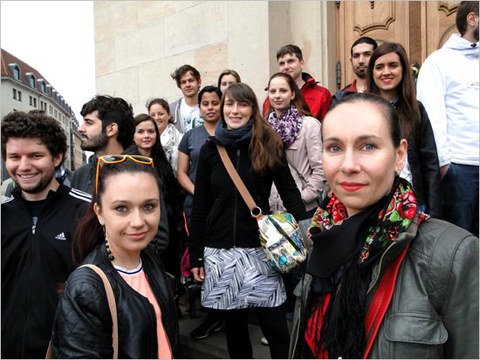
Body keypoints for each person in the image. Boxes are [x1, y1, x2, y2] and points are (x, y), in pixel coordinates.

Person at [289, 93, 479, 359]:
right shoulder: (315, 235)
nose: (348, 165)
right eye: (334, 147)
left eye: (368, 146)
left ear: (399, 155)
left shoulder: (452, 255)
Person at [189, 83, 308, 358]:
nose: (235, 110)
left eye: (242, 104)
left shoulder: (268, 143)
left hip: (260, 250)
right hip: (221, 252)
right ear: (222, 108)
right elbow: (201, 205)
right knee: (236, 330)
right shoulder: (210, 150)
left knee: (276, 327)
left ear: (253, 109)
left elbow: (289, 191)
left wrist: (305, 228)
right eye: (229, 104)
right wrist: (196, 255)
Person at [50, 157, 179, 358]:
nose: (138, 222)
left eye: (149, 206)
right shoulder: (86, 288)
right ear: (99, 213)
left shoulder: (149, 259)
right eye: (121, 208)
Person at [1, 110, 91, 358]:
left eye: (35, 156)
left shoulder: (88, 214)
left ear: (57, 157)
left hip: (67, 351)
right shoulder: (2, 215)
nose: (23, 166)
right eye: (14, 157)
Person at [72, 95, 170, 256]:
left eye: (89, 122)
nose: (81, 128)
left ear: (111, 129)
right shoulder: (80, 175)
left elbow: (159, 238)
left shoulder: (142, 172)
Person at [416, 1, 479, 236]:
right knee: (462, 241)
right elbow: (432, 115)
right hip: (460, 168)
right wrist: (444, 165)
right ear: (472, 19)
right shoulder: (438, 62)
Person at [367, 42, 442, 218]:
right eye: (379, 67)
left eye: (393, 65)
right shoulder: (362, 110)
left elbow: (430, 163)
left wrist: (435, 212)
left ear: (403, 70)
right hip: (374, 203)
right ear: (372, 72)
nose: (386, 72)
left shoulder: (416, 109)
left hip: (414, 202)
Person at [178, 86, 225, 340]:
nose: (209, 107)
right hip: (196, 206)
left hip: (224, 207)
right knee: (202, 258)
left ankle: (223, 312)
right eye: (204, 103)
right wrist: (201, 192)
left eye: (214, 102)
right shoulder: (190, 136)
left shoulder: (229, 132)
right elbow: (181, 173)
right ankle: (211, 314)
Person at [127, 114, 184, 280]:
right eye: (141, 131)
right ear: (133, 135)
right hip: (143, 235)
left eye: (151, 131)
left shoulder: (161, 159)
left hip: (167, 232)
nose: (146, 136)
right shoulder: (127, 162)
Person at [262, 44, 332, 121]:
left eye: (290, 61)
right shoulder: (271, 99)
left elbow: (328, 128)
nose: (286, 67)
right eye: (282, 63)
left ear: (301, 63)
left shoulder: (321, 95)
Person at [332, 36, 378, 105]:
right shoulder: (340, 98)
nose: (361, 61)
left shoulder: (385, 92)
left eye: (367, 54)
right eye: (356, 56)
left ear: (377, 58)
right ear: (351, 61)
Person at [147, 98, 183, 175]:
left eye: (160, 114)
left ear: (169, 115)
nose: (156, 118)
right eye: (153, 115)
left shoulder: (181, 139)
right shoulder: (146, 139)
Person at [169, 64, 203, 133]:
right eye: (183, 82)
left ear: (199, 82)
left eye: (191, 80)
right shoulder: (172, 110)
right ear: (179, 86)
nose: (187, 85)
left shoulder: (209, 106)